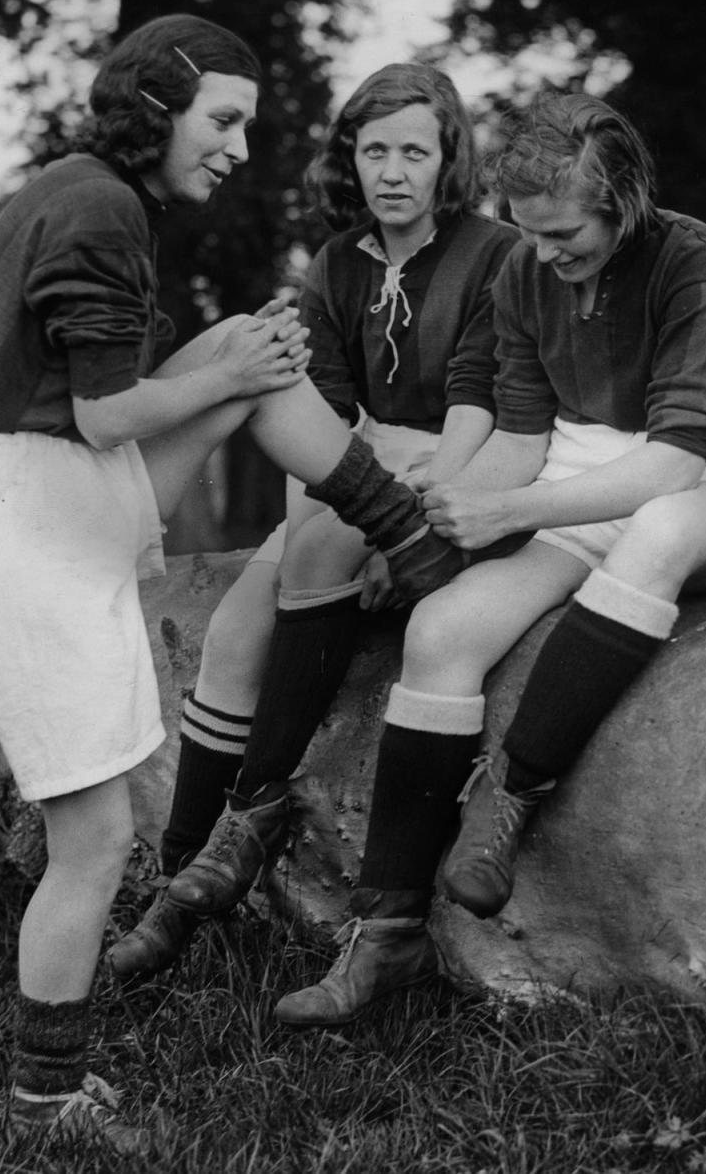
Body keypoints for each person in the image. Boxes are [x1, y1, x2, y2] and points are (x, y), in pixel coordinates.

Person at [0, 17, 463, 1150]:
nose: (234, 147)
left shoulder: (87, 190)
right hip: (26, 510)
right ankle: (44, 1099)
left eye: (246, 126)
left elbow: (109, 402)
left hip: (44, 489)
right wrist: (249, 370)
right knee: (94, 841)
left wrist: (239, 364)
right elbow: (104, 412)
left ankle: (403, 536)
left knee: (244, 345)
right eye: (220, 120)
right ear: (156, 105)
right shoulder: (98, 206)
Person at [273, 92, 706, 1028]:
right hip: (574, 480)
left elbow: (674, 462)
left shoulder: (692, 259)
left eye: (566, 236)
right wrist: (446, 514)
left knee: (662, 533)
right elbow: (519, 437)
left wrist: (514, 508)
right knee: (442, 627)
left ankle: (509, 798)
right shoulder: (521, 269)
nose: (545, 256)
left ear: (625, 205)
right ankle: (384, 935)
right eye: (529, 234)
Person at [107, 62, 522, 981]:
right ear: (351, 160)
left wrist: (413, 529)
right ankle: (181, 885)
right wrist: (319, 526)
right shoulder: (336, 265)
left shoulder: (493, 253)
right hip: (346, 472)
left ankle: (251, 813)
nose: (393, 171)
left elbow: (477, 400)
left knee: (334, 552)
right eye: (373, 151)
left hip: (452, 468)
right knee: (234, 630)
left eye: (415, 150)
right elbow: (316, 424)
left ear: (448, 156)